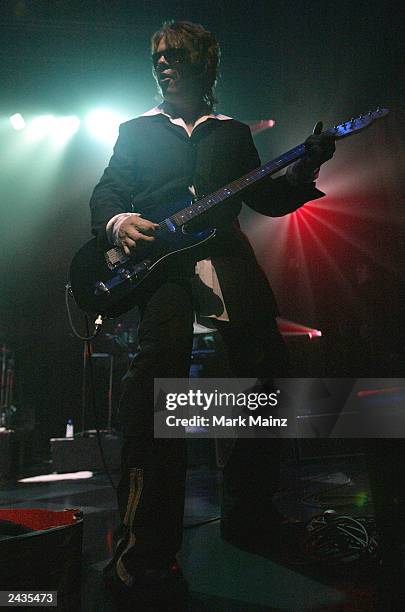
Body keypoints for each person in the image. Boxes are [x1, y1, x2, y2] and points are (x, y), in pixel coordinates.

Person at [89, 20, 335, 605]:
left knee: (264, 386)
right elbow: (107, 192)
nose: (165, 63)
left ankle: (251, 518)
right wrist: (121, 223)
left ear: (204, 63)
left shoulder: (231, 132)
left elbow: (268, 198)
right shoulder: (136, 130)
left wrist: (307, 167)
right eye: (158, 56)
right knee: (156, 395)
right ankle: (146, 546)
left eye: (176, 54)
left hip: (228, 263)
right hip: (164, 272)